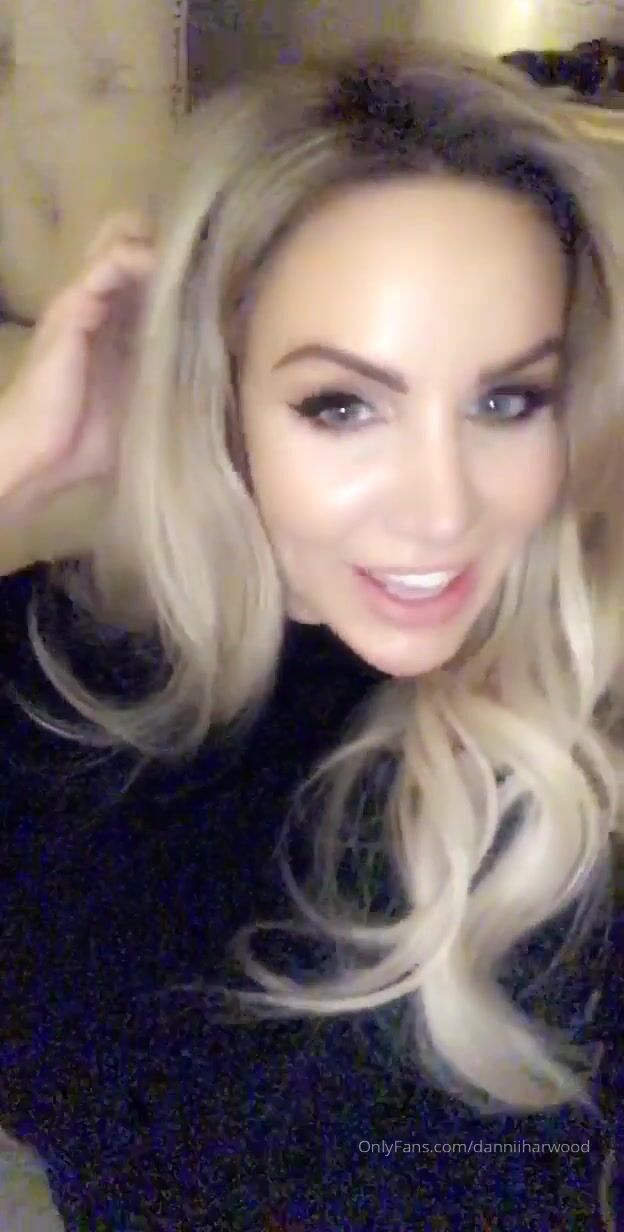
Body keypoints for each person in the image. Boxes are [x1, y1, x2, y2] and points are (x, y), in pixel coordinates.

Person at [0, 39, 622, 1229]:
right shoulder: (50, 679)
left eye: (507, 400)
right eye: (342, 404)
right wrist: (16, 455)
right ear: (221, 393)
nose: (441, 508)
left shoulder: (573, 766)